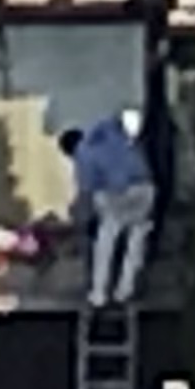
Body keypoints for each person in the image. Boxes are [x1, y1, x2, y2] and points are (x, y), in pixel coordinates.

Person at [63, 107, 158, 304]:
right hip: (145, 188)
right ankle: (125, 290)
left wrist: (80, 219)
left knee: (106, 240)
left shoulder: (82, 152)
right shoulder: (111, 134)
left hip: (117, 193)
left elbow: (86, 191)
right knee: (136, 239)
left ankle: (99, 293)